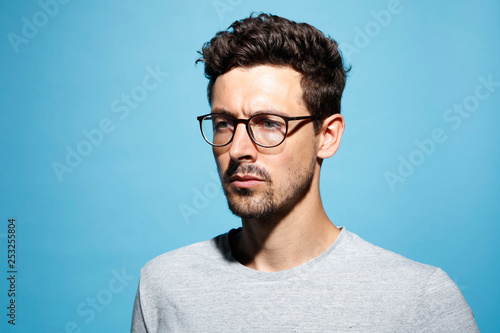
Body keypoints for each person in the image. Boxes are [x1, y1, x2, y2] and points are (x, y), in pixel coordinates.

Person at [131, 13, 478, 332]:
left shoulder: (420, 301)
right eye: (224, 123)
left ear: (326, 137)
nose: (237, 149)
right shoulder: (164, 286)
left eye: (268, 123)